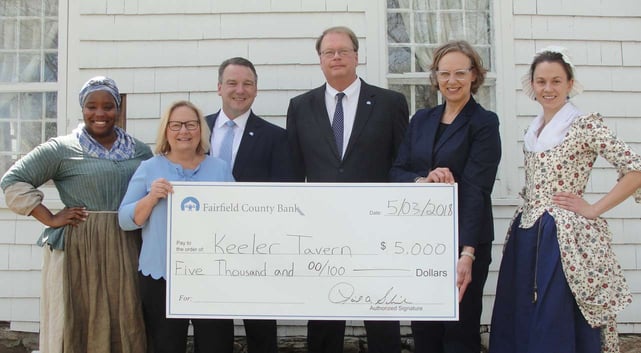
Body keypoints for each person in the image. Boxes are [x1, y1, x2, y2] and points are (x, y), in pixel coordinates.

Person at [489, 46, 641, 353]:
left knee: (557, 311)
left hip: (565, 235)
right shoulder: (534, 128)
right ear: (531, 84)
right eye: (541, 81)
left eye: (556, 81)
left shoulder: (584, 124)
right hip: (528, 231)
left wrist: (594, 208)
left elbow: (635, 170)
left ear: (570, 83)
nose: (548, 89)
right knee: (522, 309)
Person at [1, 76, 151, 353]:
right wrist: (50, 218)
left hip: (127, 244)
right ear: (82, 109)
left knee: (126, 313)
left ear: (118, 108)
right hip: (79, 246)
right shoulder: (62, 148)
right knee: (78, 314)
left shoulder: (140, 151)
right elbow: (14, 180)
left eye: (108, 106)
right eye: (91, 106)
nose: (100, 114)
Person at [286, 26, 409, 353]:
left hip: (376, 228)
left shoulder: (389, 103)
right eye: (329, 52)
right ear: (320, 60)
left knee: (382, 316)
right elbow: (295, 172)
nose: (336, 57)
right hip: (322, 230)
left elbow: (401, 164)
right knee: (325, 317)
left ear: (357, 56)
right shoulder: (300, 107)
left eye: (343, 50)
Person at [389, 40, 502, 353]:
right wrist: (423, 180)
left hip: (465, 240)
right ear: (436, 77)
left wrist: (467, 253)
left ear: (474, 76)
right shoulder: (421, 119)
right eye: (444, 73)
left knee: (460, 330)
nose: (452, 81)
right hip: (421, 240)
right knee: (423, 329)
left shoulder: (484, 123)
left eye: (460, 73)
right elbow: (397, 171)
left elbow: (478, 188)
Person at [118, 100, 234, 353]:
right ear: (166, 131)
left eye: (191, 124)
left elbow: (236, 217)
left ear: (201, 130)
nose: (184, 131)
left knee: (216, 344)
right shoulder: (149, 168)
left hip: (211, 277)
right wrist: (150, 198)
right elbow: (125, 220)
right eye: (177, 125)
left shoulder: (219, 169)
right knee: (165, 346)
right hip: (161, 277)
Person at [204, 57, 296, 352]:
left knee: (261, 330)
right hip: (206, 246)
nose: (239, 90)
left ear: (256, 90)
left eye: (247, 84)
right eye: (232, 83)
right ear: (219, 87)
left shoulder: (276, 137)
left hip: (258, 249)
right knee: (213, 330)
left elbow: (286, 195)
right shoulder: (195, 130)